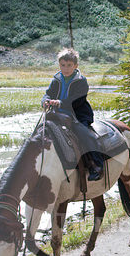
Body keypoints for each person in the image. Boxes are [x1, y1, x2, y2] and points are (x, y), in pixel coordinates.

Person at [41, 48, 103, 181]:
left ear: (76, 66)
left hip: (77, 115)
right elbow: (48, 93)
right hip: (57, 115)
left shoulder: (81, 81)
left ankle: (96, 164)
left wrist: (59, 103)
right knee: (40, 132)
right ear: (59, 65)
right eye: (63, 65)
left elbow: (77, 100)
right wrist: (45, 101)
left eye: (69, 65)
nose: (66, 68)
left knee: (85, 134)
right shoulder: (56, 80)